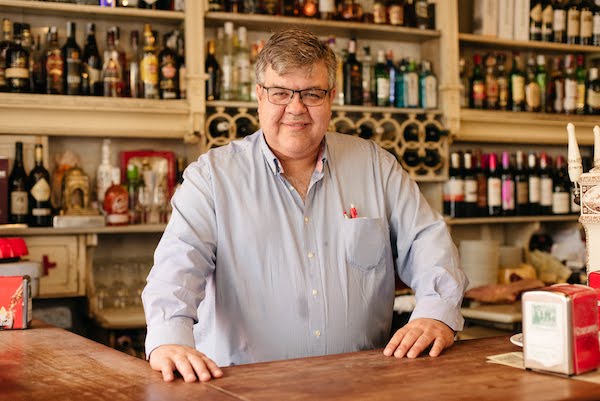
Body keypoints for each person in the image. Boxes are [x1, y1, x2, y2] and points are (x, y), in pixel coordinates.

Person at [142, 28, 468, 383]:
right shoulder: (211, 178)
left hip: (362, 385)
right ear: (259, 96)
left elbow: (428, 241)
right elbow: (177, 265)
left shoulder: (376, 166)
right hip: (244, 389)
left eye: (311, 94)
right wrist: (168, 340)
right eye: (281, 93)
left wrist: (436, 314)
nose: (295, 108)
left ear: (331, 97)